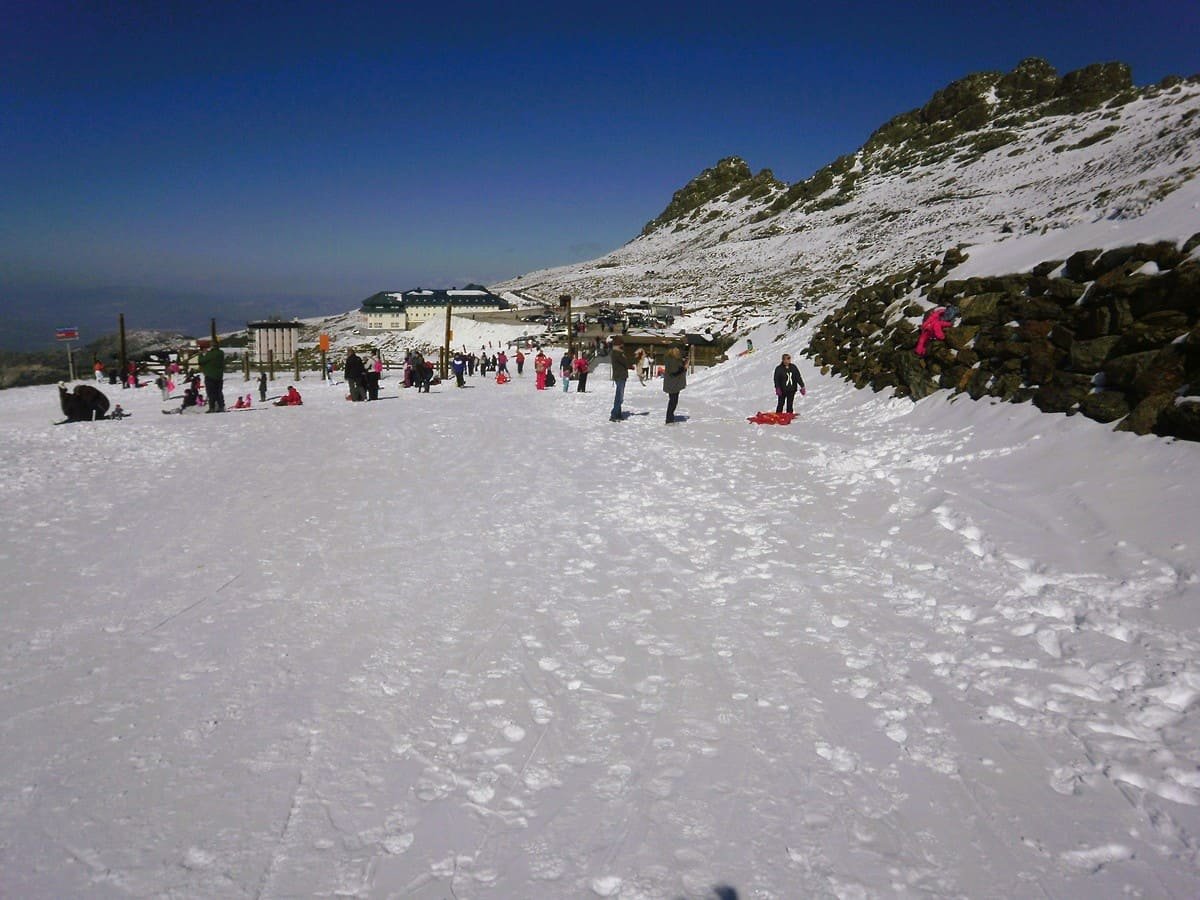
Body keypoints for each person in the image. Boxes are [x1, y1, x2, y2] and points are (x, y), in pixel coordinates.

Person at [198, 340, 226, 412]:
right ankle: (221, 406)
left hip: (210, 376)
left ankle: (212, 407)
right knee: (219, 392)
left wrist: (201, 354)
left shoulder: (210, 354)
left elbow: (201, 361)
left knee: (211, 393)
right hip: (219, 376)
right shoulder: (221, 353)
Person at [662, 346, 687, 424]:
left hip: (673, 383)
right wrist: (683, 368)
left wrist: (683, 363)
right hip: (672, 383)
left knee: (673, 401)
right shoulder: (672, 359)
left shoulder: (673, 359)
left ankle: (670, 418)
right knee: (673, 401)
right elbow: (674, 371)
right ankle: (669, 419)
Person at [608, 336, 631, 421]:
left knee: (620, 396)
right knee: (619, 396)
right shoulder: (617, 353)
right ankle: (614, 414)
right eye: (621, 344)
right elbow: (625, 362)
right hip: (620, 376)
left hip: (621, 376)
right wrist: (623, 355)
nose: (623, 346)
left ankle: (618, 414)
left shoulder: (617, 353)